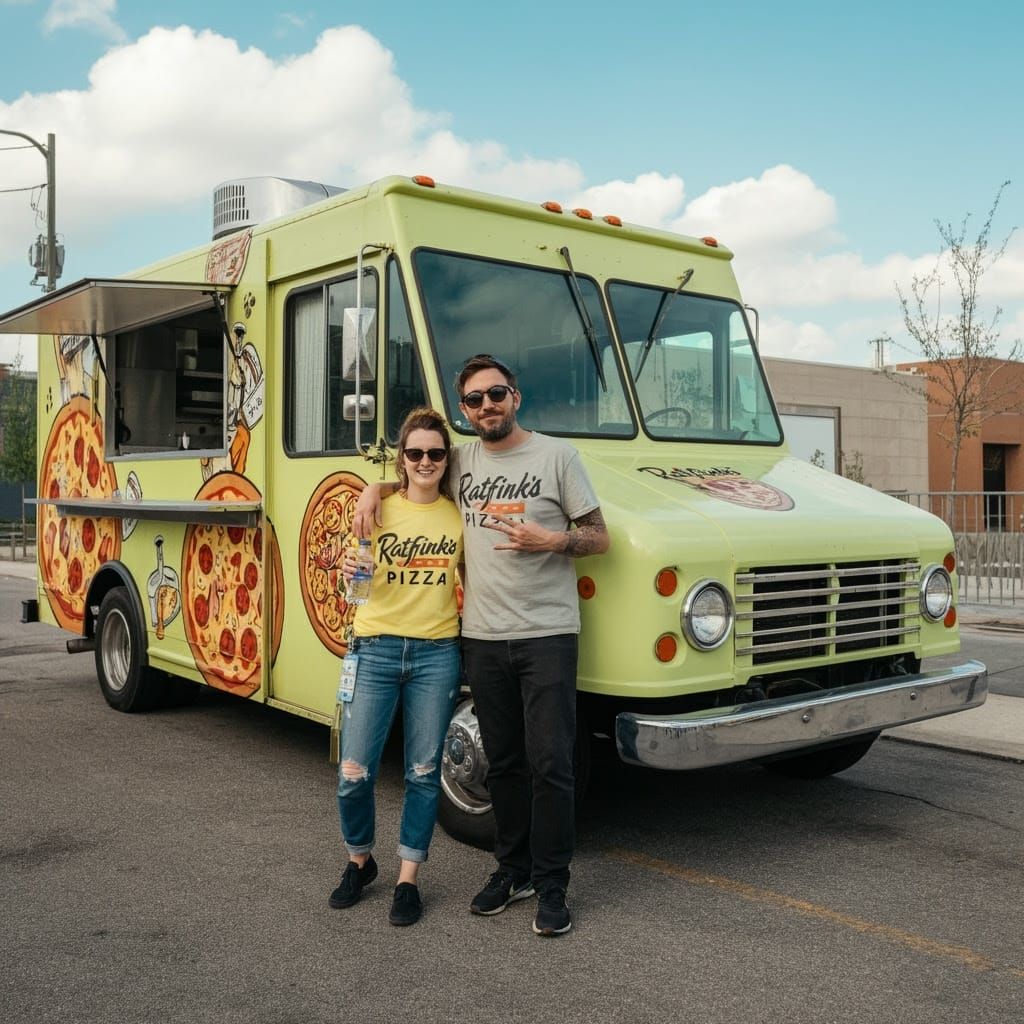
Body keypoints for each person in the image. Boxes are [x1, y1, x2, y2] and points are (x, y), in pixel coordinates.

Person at [353, 354, 610, 936]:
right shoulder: (460, 458)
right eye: (473, 399)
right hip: (483, 639)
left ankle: (551, 884)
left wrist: (551, 539)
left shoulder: (557, 457)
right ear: (464, 410)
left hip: (547, 634)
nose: (486, 406)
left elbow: (599, 537)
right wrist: (375, 487)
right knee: (505, 766)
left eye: (496, 394)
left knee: (552, 765)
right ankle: (511, 870)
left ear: (515, 396)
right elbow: (415, 472)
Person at [329, 407, 464, 927]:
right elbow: (353, 583)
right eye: (415, 453)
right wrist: (348, 570)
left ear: (445, 459)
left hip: (436, 653)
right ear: (402, 459)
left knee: (424, 773)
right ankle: (359, 861)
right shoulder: (374, 510)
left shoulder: (457, 516)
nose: (425, 461)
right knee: (353, 771)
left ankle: (408, 879)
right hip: (375, 647)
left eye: (435, 453)